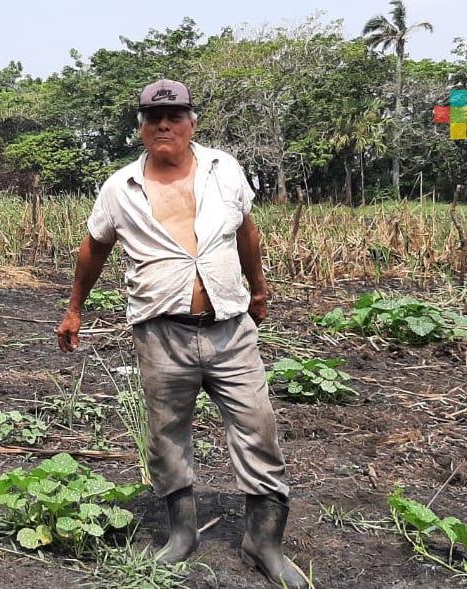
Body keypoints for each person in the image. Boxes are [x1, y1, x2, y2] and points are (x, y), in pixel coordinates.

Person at [56, 79, 307, 589]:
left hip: (230, 329)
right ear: (141, 128)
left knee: (257, 428)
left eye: (174, 116)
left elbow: (246, 233)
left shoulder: (224, 170)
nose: (164, 125)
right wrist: (74, 309)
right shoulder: (119, 188)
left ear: (192, 122)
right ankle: (182, 536)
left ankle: (264, 542)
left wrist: (259, 291)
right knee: (167, 436)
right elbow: (93, 249)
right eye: (153, 118)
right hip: (160, 333)